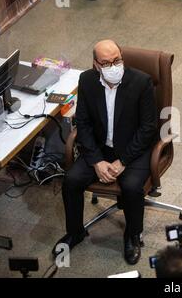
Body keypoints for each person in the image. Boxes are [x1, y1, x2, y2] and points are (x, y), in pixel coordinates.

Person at [53, 40, 157, 265]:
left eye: (117, 60)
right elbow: (84, 123)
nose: (114, 66)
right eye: (106, 63)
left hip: (133, 150)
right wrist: (97, 161)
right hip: (100, 148)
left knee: (130, 186)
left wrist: (123, 161)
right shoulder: (87, 81)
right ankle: (75, 232)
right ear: (95, 65)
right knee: (71, 180)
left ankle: (132, 235)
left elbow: (148, 128)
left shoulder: (141, 82)